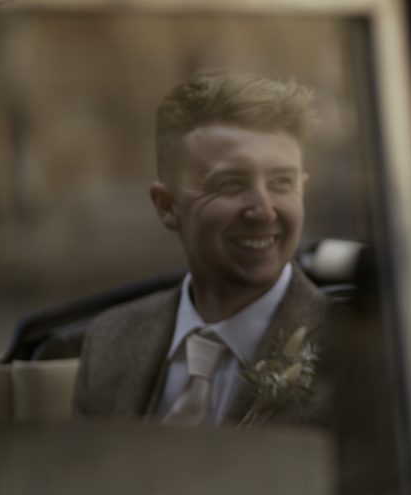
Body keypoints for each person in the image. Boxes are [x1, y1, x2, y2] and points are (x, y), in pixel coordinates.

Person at [73, 70, 328, 427]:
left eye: (281, 182)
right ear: (166, 205)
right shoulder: (109, 342)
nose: (264, 210)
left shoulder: (358, 355)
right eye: (231, 183)